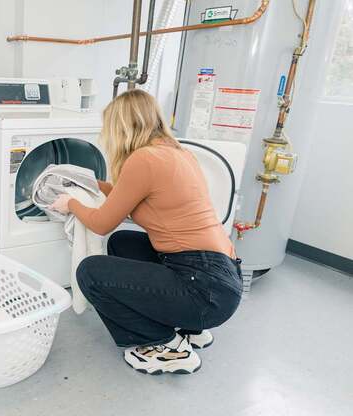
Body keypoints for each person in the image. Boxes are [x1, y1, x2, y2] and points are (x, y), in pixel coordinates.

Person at [49, 89, 242, 375]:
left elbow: (101, 223)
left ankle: (164, 346)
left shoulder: (143, 160)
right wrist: (88, 184)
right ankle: (190, 329)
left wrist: (71, 203)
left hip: (203, 287)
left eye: (109, 128)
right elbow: (128, 198)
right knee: (123, 242)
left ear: (122, 127)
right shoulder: (176, 152)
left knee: (90, 271)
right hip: (219, 276)